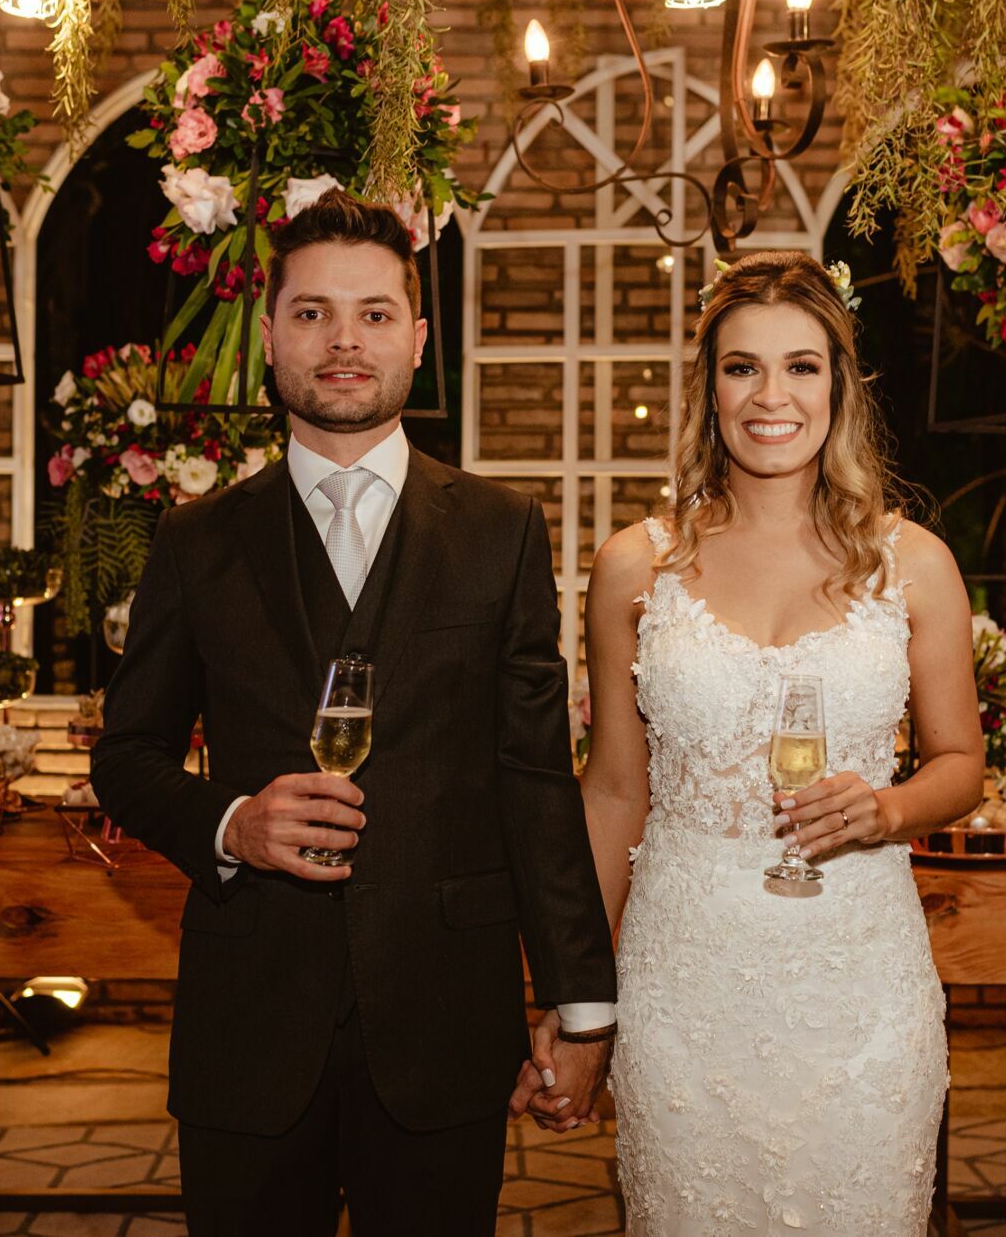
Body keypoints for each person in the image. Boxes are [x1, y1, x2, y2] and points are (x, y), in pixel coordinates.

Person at [92, 188, 617, 1237]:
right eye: (312, 312)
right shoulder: (197, 542)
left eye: (374, 313)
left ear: (419, 339)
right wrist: (231, 822)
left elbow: (534, 777)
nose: (344, 340)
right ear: (271, 337)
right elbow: (128, 756)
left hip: (444, 1019)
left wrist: (585, 1001)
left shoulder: (500, 532)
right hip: (248, 1019)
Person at [557, 249, 984, 1233]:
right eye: (743, 366)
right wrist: (578, 992)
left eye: (801, 365)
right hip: (684, 987)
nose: (771, 395)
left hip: (860, 983)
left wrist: (886, 807)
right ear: (709, 387)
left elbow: (961, 763)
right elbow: (616, 791)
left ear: (839, 382)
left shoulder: (913, 564)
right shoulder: (636, 567)